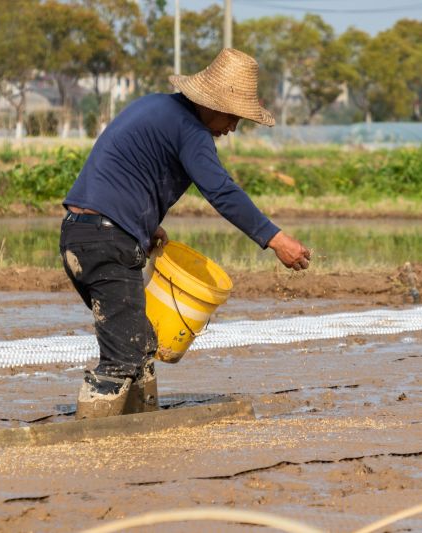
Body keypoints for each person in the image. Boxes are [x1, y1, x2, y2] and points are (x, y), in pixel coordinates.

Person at [59, 48, 311, 420]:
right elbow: (222, 192)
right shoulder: (191, 130)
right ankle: (89, 444)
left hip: (83, 236)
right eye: (233, 117)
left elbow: (122, 171)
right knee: (122, 357)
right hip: (106, 242)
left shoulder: (156, 108)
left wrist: (143, 222)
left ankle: (143, 433)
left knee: (141, 344)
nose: (232, 128)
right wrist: (276, 239)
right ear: (212, 104)